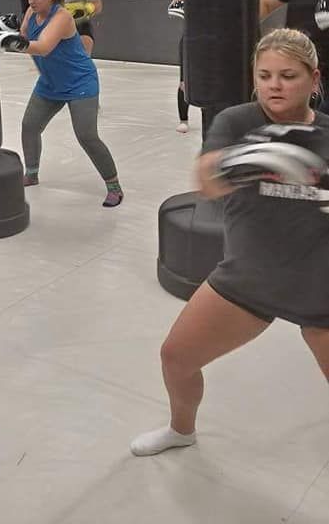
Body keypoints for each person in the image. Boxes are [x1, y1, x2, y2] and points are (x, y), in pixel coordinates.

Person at [131, 28, 329, 457]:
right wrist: (254, 159)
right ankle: (181, 430)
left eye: (288, 76)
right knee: (176, 358)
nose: (275, 85)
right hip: (249, 278)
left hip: (320, 286)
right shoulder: (238, 122)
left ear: (314, 80)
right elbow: (206, 182)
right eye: (265, 75)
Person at [0, 0, 123, 207]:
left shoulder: (62, 17)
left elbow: (43, 47)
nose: (30, 1)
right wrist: (11, 29)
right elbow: (25, 35)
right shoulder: (31, 13)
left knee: (87, 135)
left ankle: (114, 185)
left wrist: (12, 41)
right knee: (29, 126)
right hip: (50, 82)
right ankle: (31, 173)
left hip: (79, 82)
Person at [176, 0, 222, 133]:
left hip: (217, 40)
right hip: (192, 38)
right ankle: (183, 119)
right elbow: (175, 4)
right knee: (185, 81)